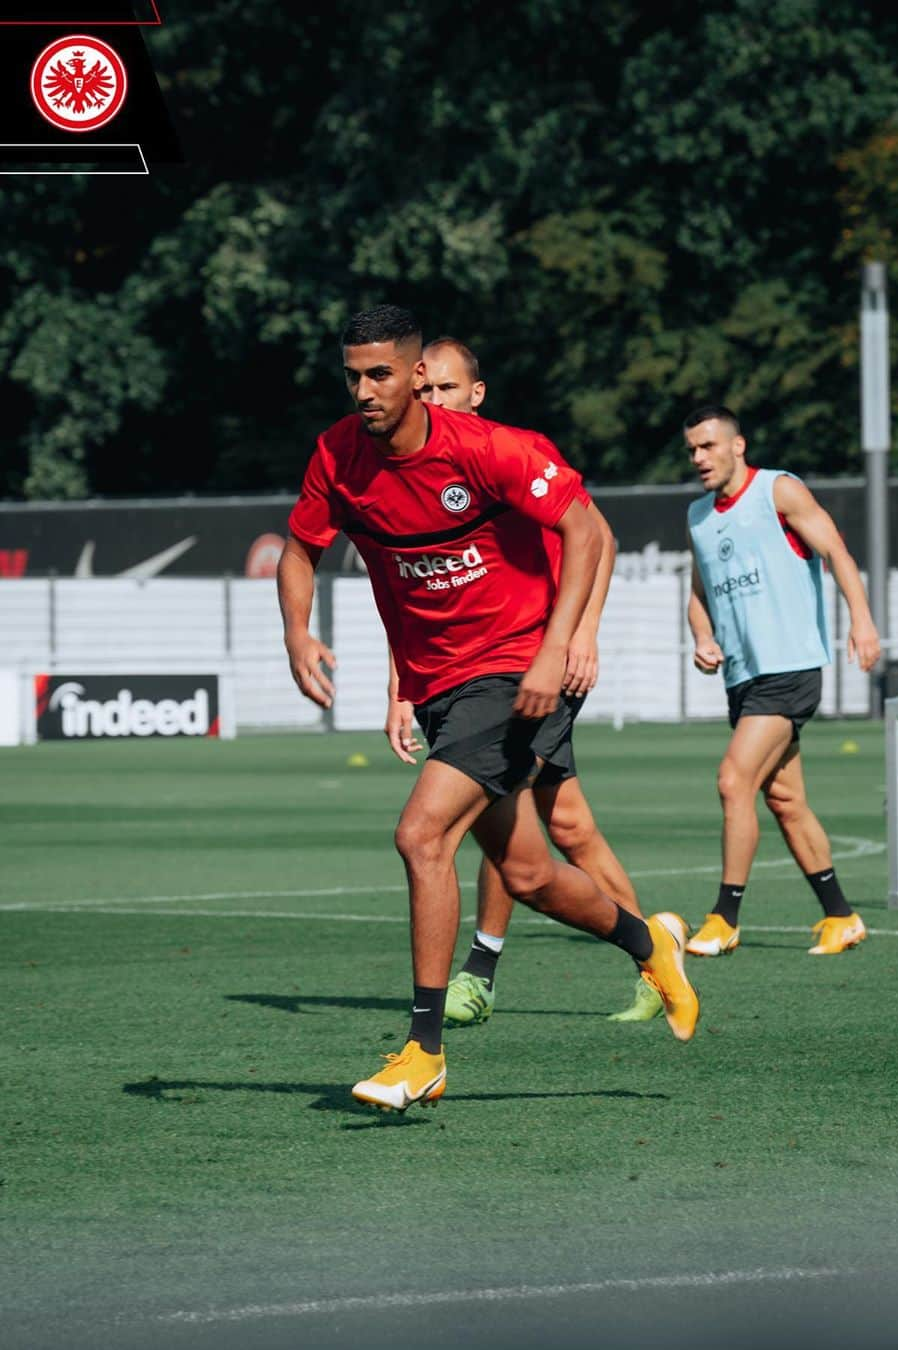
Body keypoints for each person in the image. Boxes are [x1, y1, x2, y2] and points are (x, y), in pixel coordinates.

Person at [278, 305, 698, 1113]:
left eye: (381, 375)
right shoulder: (337, 452)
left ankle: (423, 1050)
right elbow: (300, 547)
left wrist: (559, 644)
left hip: (514, 674)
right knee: (533, 874)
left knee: (421, 834)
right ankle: (654, 945)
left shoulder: (486, 449)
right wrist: (299, 632)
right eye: (352, 376)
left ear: (415, 377)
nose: (365, 390)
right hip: (442, 687)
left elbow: (584, 527)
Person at [383, 335, 661, 1027]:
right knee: (564, 825)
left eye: (446, 389)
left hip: (535, 666)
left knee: (492, 814)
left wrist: (582, 634)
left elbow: (598, 535)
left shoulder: (513, 448)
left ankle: (480, 971)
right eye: (425, 391)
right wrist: (399, 687)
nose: (433, 400)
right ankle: (655, 954)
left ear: (476, 395)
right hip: (484, 674)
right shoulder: (414, 468)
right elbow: (415, 594)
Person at [682, 404, 881, 957]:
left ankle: (724, 917)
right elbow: (698, 595)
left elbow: (837, 551)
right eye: (693, 449)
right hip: (743, 679)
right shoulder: (699, 516)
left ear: (737, 446)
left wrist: (862, 621)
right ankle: (841, 916)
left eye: (709, 446)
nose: (699, 458)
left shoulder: (779, 491)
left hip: (790, 668)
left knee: (732, 781)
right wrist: (702, 637)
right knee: (786, 800)